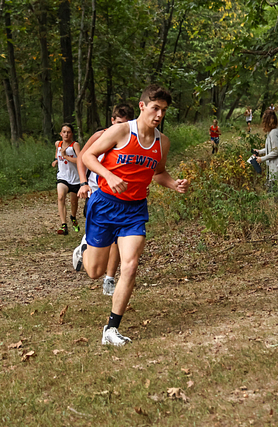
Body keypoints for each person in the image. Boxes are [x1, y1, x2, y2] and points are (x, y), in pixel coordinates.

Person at [73, 84, 189, 346]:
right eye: (155, 108)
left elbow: (159, 172)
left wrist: (174, 184)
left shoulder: (162, 142)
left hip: (134, 210)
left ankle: (111, 329)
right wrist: (109, 175)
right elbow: (88, 156)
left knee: (130, 265)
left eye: (164, 110)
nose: (159, 115)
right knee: (95, 272)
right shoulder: (122, 131)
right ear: (142, 106)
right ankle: (85, 246)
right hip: (105, 205)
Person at [76, 104, 135, 295]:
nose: (121, 127)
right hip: (97, 193)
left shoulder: (131, 139)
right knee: (102, 249)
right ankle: (85, 248)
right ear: (112, 121)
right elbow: (82, 157)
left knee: (117, 238)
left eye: (125, 124)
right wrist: (83, 183)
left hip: (119, 195)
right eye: (118, 123)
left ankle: (109, 279)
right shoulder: (100, 136)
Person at [51, 123, 81, 235]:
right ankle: (64, 225)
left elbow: (80, 160)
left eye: (68, 132)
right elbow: (57, 154)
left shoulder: (75, 145)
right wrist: (56, 160)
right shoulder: (58, 144)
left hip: (75, 178)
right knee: (60, 197)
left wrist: (66, 157)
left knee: (74, 202)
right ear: (60, 134)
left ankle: (73, 217)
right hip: (62, 177)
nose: (66, 134)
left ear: (72, 134)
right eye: (64, 132)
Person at [254, 109, 278, 188]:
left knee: (274, 190)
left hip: (277, 166)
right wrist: (260, 151)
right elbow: (271, 148)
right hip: (274, 166)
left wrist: (262, 159)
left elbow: (277, 150)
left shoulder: (274, 133)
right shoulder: (274, 131)